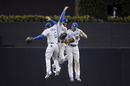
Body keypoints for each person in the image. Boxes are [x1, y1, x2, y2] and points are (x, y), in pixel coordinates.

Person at [46, 6, 69, 72]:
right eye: (65, 22)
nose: (66, 23)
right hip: (58, 43)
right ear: (62, 22)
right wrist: (64, 10)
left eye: (66, 22)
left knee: (70, 54)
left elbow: (66, 38)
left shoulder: (65, 29)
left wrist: (66, 41)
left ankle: (56, 64)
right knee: (61, 59)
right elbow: (60, 19)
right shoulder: (59, 25)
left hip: (63, 43)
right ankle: (55, 65)